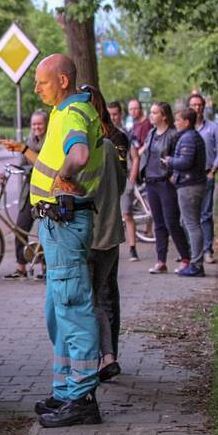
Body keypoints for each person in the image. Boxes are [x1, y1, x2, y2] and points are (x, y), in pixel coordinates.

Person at [28, 54, 105, 428]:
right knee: (58, 312)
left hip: (65, 220)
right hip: (57, 224)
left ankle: (82, 396)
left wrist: (62, 176)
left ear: (61, 80)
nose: (36, 88)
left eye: (41, 82)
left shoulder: (73, 113)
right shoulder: (65, 109)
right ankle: (64, 389)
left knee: (73, 307)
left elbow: (79, 153)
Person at [84, 86, 129, 382]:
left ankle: (103, 356)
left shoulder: (95, 146)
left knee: (96, 298)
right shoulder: (111, 146)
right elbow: (121, 183)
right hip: (110, 233)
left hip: (92, 234)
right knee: (103, 294)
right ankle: (107, 356)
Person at [0, 110, 47, 279]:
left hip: (46, 193)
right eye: (33, 124)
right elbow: (23, 164)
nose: (36, 127)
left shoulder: (50, 141)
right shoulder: (29, 140)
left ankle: (46, 268)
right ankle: (21, 268)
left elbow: (46, 165)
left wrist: (33, 166)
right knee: (20, 228)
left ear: (46, 124)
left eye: (39, 123)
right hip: (29, 190)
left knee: (45, 231)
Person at [140, 102, 188, 273]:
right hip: (151, 181)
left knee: (172, 222)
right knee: (158, 224)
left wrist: (174, 176)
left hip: (165, 182)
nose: (151, 115)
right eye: (151, 112)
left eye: (154, 112)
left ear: (164, 116)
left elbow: (178, 158)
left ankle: (185, 258)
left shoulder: (173, 135)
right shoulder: (152, 133)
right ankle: (161, 261)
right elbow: (145, 153)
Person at [166, 108, 208, 277]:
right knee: (188, 223)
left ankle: (196, 264)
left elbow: (185, 162)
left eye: (178, 120)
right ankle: (195, 261)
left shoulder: (189, 138)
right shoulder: (190, 136)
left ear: (187, 122)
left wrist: (169, 161)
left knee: (192, 224)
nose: (175, 123)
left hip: (190, 186)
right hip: (191, 184)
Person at [188, 93, 218, 264]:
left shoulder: (213, 128)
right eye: (194, 105)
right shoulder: (185, 127)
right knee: (188, 215)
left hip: (207, 174)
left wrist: (214, 169)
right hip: (188, 178)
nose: (197, 108)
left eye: (199, 104)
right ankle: (192, 251)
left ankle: (207, 250)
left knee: (205, 215)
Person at [112, 101, 142, 261]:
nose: (113, 117)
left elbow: (135, 158)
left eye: (115, 114)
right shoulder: (104, 133)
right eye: (110, 114)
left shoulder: (128, 134)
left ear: (120, 115)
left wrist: (131, 179)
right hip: (109, 181)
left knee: (127, 214)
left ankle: (132, 248)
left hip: (124, 178)